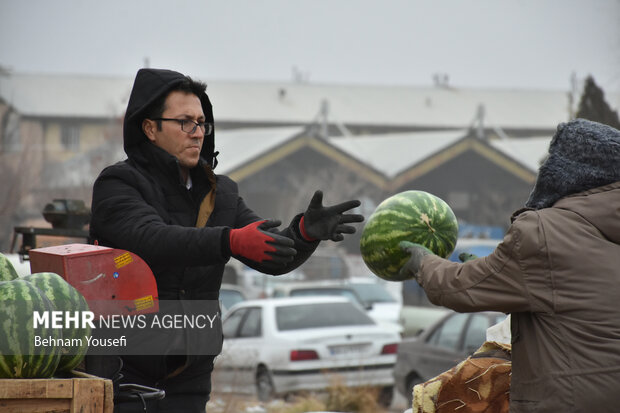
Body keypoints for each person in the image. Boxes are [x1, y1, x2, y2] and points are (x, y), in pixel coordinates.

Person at [88, 68, 363, 412]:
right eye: (185, 122)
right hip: (122, 374)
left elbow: (269, 252)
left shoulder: (222, 193)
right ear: (150, 128)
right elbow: (151, 238)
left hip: (190, 377)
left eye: (202, 123)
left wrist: (304, 233)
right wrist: (228, 242)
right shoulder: (118, 183)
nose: (197, 133)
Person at [400, 118, 620, 412]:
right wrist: (499, 275)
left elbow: (457, 288)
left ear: (564, 174)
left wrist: (423, 262)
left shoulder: (544, 232)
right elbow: (577, 298)